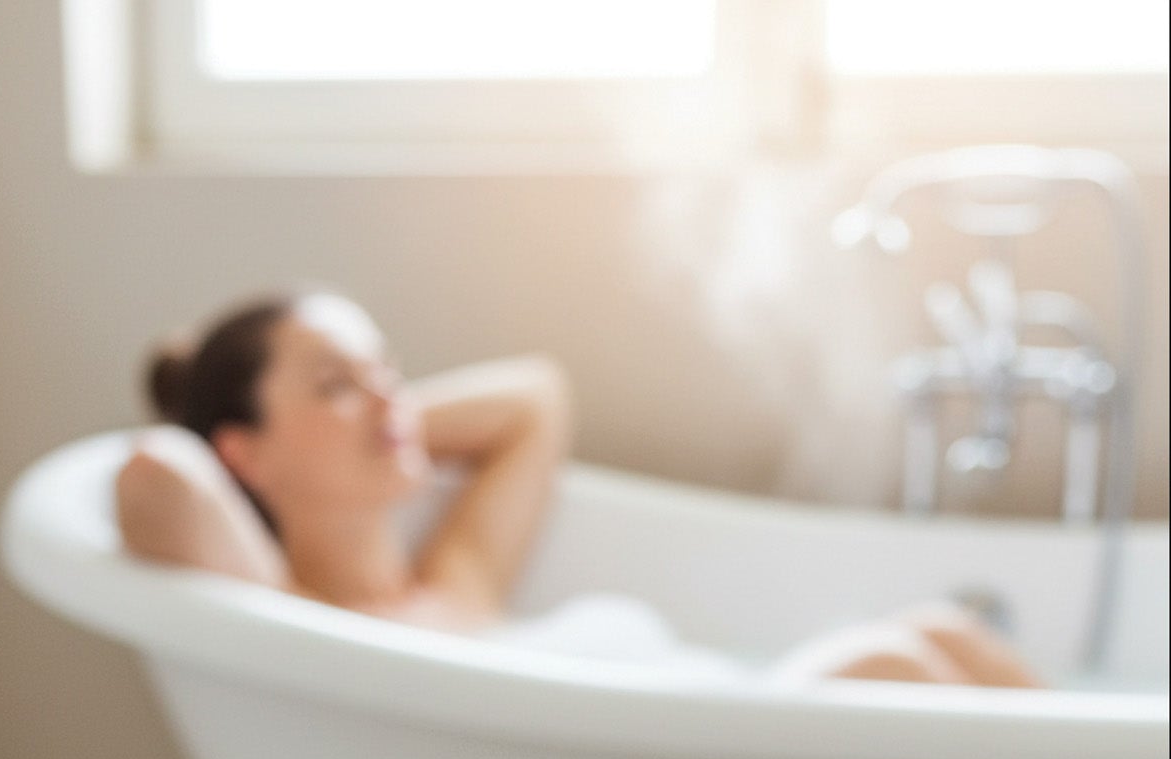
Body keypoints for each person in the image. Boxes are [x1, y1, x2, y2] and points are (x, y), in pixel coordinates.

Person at [118, 290, 1042, 685]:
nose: (385, 398)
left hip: (734, 718)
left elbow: (533, 399)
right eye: (332, 384)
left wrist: (376, 422)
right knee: (895, 663)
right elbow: (156, 477)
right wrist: (362, 428)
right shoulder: (301, 627)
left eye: (386, 371)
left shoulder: (456, 581)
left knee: (942, 635)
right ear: (242, 454)